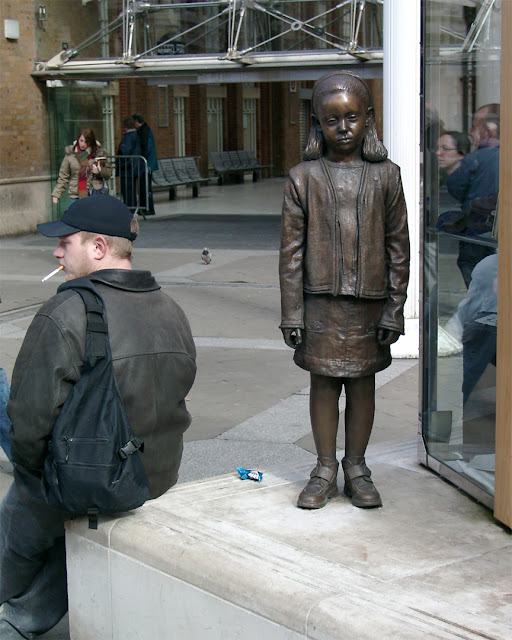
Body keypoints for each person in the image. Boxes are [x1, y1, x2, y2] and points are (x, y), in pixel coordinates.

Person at [0, 196, 196, 639]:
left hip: (93, 475)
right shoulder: (171, 309)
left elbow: (29, 419)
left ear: (100, 248)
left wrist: (34, 473)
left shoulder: (65, 311)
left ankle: (16, 615)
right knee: (63, 514)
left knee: (26, 509)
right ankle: (25, 617)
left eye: (65, 243)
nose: (56, 252)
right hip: (157, 473)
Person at [279, 71, 409, 511]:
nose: (343, 128)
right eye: (332, 120)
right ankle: (323, 468)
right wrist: (292, 312)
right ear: (317, 124)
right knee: (323, 383)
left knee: (362, 384)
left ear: (368, 119)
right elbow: (291, 254)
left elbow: (399, 247)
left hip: (370, 306)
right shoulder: (303, 178)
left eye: (352, 117)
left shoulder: (387, 177)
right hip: (320, 305)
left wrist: (395, 308)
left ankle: (357, 466)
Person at [447, 107, 499, 287]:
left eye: (475, 128)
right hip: (490, 226)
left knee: (472, 267)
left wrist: (470, 201)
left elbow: (455, 184)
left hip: (476, 225)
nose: (471, 133)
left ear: (489, 131)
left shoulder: (476, 158)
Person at [51, 128, 112, 205]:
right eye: (81, 141)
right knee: (77, 216)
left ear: (91, 142)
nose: (83, 144)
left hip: (93, 193)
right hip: (75, 195)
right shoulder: (71, 155)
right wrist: (56, 194)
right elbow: (63, 176)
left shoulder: (98, 153)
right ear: (78, 140)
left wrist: (99, 171)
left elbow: (108, 173)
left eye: (86, 142)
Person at [132, 113, 158, 215]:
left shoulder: (144, 131)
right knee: (144, 187)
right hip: (148, 163)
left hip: (146, 164)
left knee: (145, 187)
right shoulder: (145, 130)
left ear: (137, 121)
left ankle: (148, 208)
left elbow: (146, 148)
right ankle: (146, 207)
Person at [116, 116, 143, 212]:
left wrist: (119, 163)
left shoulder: (127, 138)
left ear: (125, 127)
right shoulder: (136, 136)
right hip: (134, 168)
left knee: (127, 191)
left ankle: (129, 210)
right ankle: (133, 209)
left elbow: (124, 152)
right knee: (132, 190)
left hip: (127, 168)